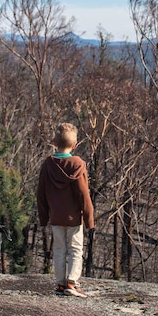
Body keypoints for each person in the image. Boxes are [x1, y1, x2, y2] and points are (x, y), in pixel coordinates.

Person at [36, 123, 95, 298]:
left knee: (60, 249)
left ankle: (61, 284)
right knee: (76, 249)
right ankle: (72, 283)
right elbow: (83, 194)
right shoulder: (78, 164)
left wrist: (43, 216)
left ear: (54, 142)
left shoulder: (48, 164)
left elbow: (41, 192)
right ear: (74, 144)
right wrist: (89, 217)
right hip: (74, 217)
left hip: (56, 217)